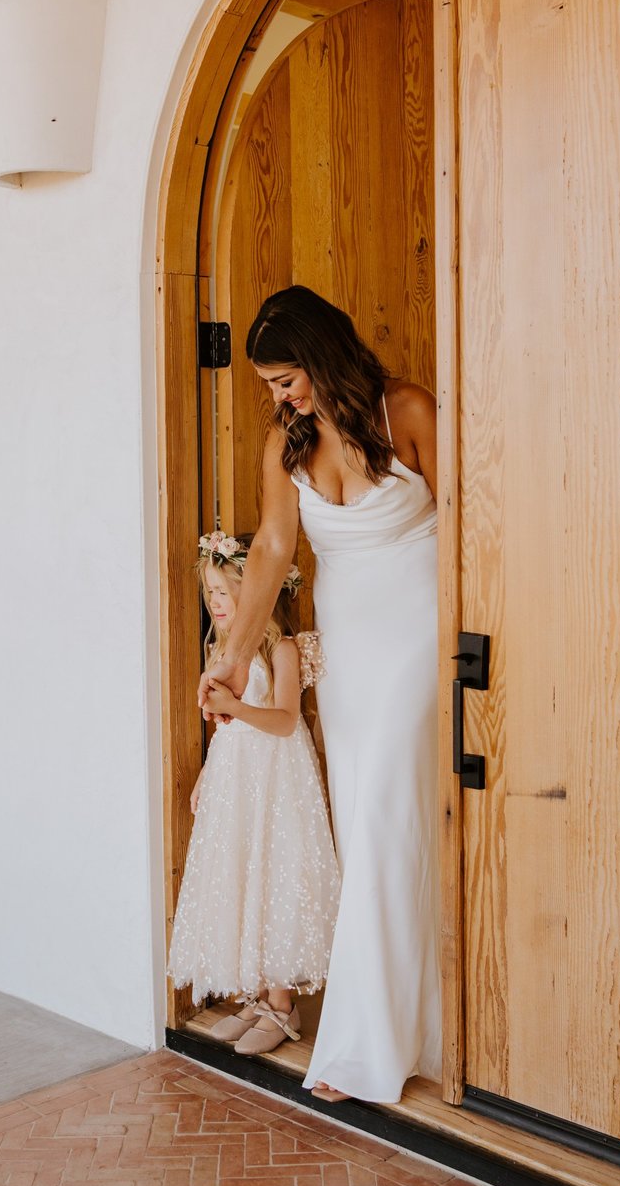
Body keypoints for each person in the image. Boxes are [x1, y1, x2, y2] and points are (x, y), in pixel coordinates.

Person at [197, 285, 440, 1104]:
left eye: (287, 378)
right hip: (346, 652)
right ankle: (402, 1030)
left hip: (417, 637)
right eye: (270, 385)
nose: (280, 396)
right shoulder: (286, 444)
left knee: (385, 819)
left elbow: (480, 520)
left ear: (326, 355)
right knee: (367, 821)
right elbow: (270, 548)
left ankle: (379, 1042)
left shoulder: (406, 410)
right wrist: (233, 658)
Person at [169, 530, 340, 1055]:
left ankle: (282, 1003)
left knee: (277, 874)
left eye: (224, 591)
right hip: (236, 779)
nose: (215, 604)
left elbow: (286, 720)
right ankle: (257, 995)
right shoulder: (221, 649)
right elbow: (227, 730)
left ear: (258, 591)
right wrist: (204, 776)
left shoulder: (282, 649)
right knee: (244, 876)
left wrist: (236, 705)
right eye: (210, 594)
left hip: (278, 780)